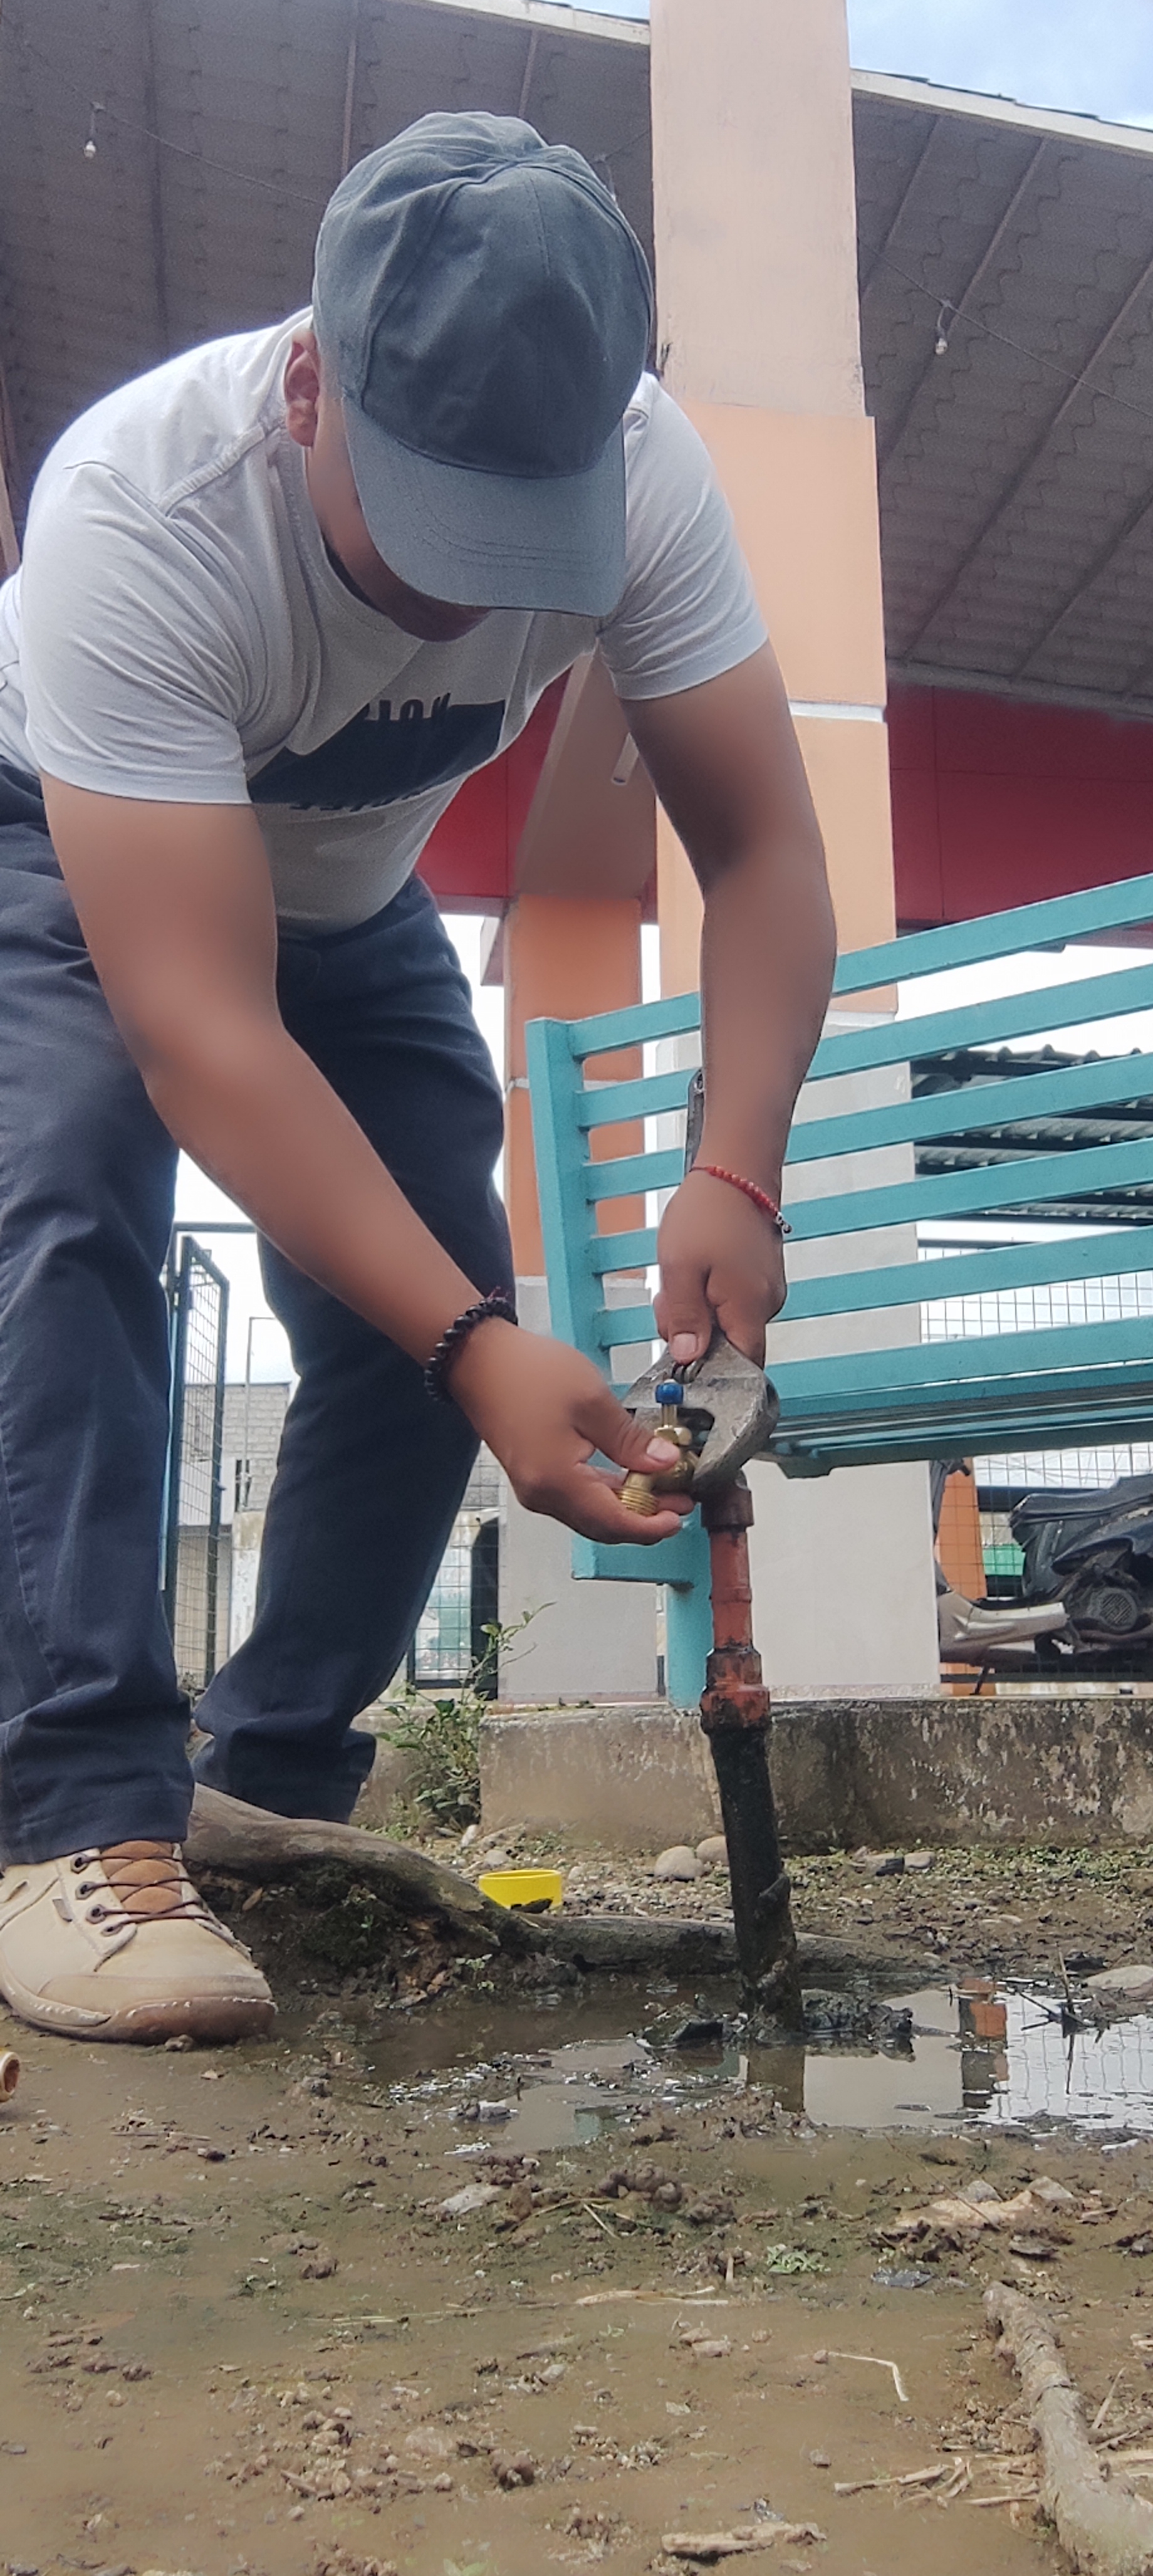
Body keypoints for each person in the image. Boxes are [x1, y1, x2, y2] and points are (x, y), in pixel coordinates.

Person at [0, 112, 836, 2045]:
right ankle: (73, 1817)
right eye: (435, 521)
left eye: (526, 535)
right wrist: (478, 1351)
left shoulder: (650, 469)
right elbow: (202, 1030)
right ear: (312, 388)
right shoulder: (141, 508)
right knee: (66, 1202)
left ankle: (269, 1793)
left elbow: (764, 854)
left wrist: (738, 1168)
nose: (473, 601)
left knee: (432, 1270)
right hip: (73, 844)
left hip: (352, 891)